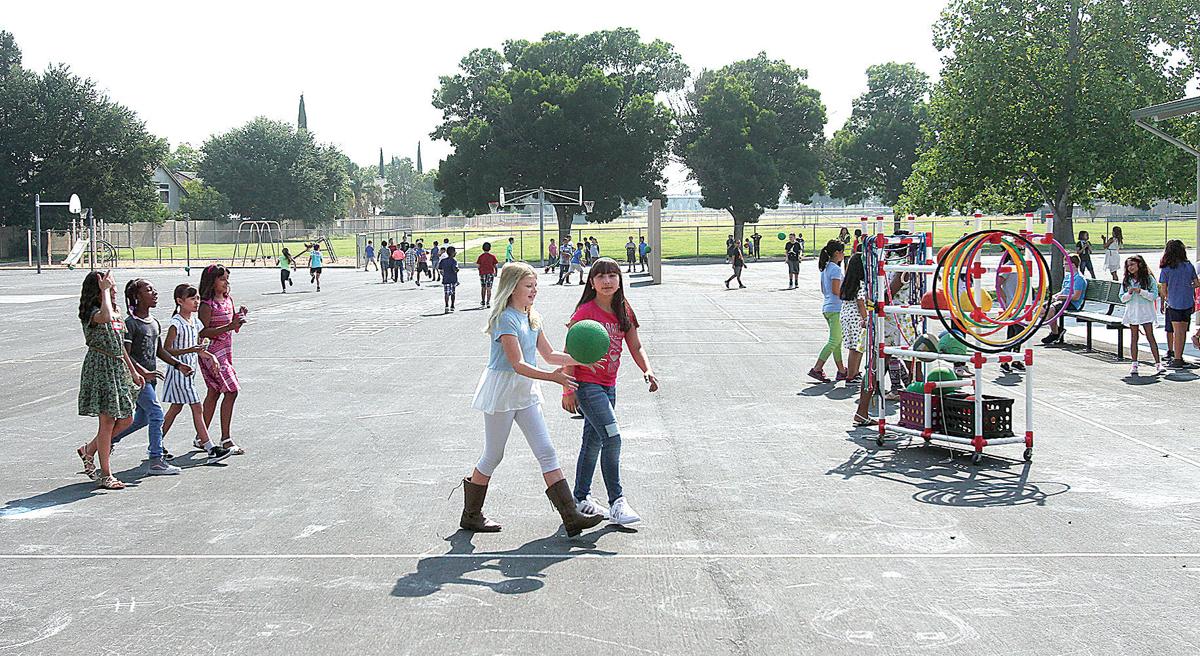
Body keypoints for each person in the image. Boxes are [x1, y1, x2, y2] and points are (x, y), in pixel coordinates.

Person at [459, 262, 604, 536]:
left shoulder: (531, 317)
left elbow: (549, 355)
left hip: (525, 393)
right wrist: (554, 378)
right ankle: (471, 515)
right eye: (528, 286)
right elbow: (518, 364)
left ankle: (571, 516)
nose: (534, 291)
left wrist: (583, 360)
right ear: (512, 287)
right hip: (503, 391)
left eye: (535, 286)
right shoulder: (505, 319)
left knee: (546, 451)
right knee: (493, 455)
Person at [563, 257, 658, 524]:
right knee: (613, 437)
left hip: (609, 385)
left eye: (612, 276)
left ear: (619, 280)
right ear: (591, 282)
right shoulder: (585, 312)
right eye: (601, 276)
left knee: (593, 441)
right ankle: (617, 502)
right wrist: (567, 389)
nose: (607, 281)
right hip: (587, 385)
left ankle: (580, 498)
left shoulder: (624, 309)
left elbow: (635, 345)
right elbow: (568, 351)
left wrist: (647, 369)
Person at [109, 278, 190, 475]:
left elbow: (159, 351)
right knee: (156, 414)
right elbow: (124, 353)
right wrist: (140, 372)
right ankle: (156, 459)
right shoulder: (131, 323)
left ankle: (106, 441)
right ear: (137, 296)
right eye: (148, 290)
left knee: (141, 419)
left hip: (149, 380)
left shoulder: (153, 322)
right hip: (136, 380)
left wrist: (178, 365)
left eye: (154, 289)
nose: (154, 293)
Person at [75, 271, 141, 490]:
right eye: (109, 289)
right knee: (107, 422)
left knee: (127, 419)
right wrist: (104, 291)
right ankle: (106, 474)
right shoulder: (93, 312)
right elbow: (105, 316)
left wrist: (132, 371)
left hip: (117, 366)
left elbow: (119, 343)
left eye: (113, 289)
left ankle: (89, 449)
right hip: (100, 367)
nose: (114, 292)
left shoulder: (116, 312)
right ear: (98, 291)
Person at [160, 283, 231, 464]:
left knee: (176, 408)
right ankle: (210, 447)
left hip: (189, 372)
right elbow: (166, 350)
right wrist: (188, 350)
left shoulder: (195, 322)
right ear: (180, 301)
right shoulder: (176, 324)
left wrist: (210, 356)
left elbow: (198, 349)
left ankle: (156, 442)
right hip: (178, 372)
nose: (196, 301)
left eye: (197, 298)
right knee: (197, 407)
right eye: (192, 298)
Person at [198, 264, 248, 455]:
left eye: (227, 278)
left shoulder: (228, 300)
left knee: (214, 392)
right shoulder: (206, 304)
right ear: (212, 282)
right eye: (222, 279)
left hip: (226, 351)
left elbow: (232, 327)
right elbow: (202, 331)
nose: (226, 282)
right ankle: (225, 439)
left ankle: (200, 437)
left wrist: (238, 320)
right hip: (212, 352)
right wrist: (229, 326)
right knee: (232, 390)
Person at [809, 240, 847, 382]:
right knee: (834, 340)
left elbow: (825, 290)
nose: (844, 254)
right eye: (842, 252)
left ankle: (842, 370)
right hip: (836, 308)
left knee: (837, 341)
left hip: (828, 306)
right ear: (837, 253)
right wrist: (849, 294)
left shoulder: (825, 268)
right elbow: (836, 290)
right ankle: (817, 368)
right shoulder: (836, 270)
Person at [1120, 255, 1164, 376]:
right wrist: (1129, 293)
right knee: (1134, 337)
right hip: (1133, 312)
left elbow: (1154, 296)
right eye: (1128, 266)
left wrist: (1141, 291)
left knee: (1150, 336)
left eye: (1132, 265)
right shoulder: (1126, 280)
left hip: (1146, 312)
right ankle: (1134, 363)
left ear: (1139, 265)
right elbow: (1122, 298)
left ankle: (1158, 363)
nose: (1130, 268)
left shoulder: (1148, 279)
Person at [1157, 239, 1199, 368]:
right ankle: (1179, 357)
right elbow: (1197, 283)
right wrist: (1188, 287)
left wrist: (1167, 299)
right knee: (1183, 331)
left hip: (1174, 303)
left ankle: (1177, 358)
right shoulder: (1188, 265)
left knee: (1176, 331)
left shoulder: (1166, 269)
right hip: (1187, 301)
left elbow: (1163, 289)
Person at [1041, 254, 1087, 344]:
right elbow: (1063, 291)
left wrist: (1061, 297)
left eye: (1065, 264)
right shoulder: (1068, 277)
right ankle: (1057, 330)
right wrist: (1055, 296)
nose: (1063, 266)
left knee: (1050, 310)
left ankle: (1055, 333)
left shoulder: (1079, 279)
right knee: (1040, 309)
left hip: (1072, 304)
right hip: (1063, 301)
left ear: (1072, 265)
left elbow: (1076, 297)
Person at [838, 253, 867, 385]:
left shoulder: (848, 281)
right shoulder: (860, 283)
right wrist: (866, 318)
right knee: (857, 348)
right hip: (856, 317)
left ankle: (853, 372)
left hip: (845, 315)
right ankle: (852, 375)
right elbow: (861, 301)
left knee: (853, 347)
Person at [476, 241, 499, 308]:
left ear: (482, 248)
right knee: (489, 288)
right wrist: (496, 272)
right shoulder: (492, 256)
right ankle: (488, 302)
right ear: (490, 248)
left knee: (483, 287)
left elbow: (478, 266)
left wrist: (480, 271)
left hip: (483, 273)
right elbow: (495, 265)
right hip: (490, 273)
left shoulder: (481, 256)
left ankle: (483, 301)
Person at [438, 245, 460, 313]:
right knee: (453, 293)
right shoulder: (454, 261)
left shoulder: (443, 261)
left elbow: (440, 269)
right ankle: (452, 305)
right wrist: (457, 270)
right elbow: (455, 269)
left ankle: (446, 306)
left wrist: (443, 275)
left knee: (446, 293)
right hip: (453, 279)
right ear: (453, 253)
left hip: (446, 279)